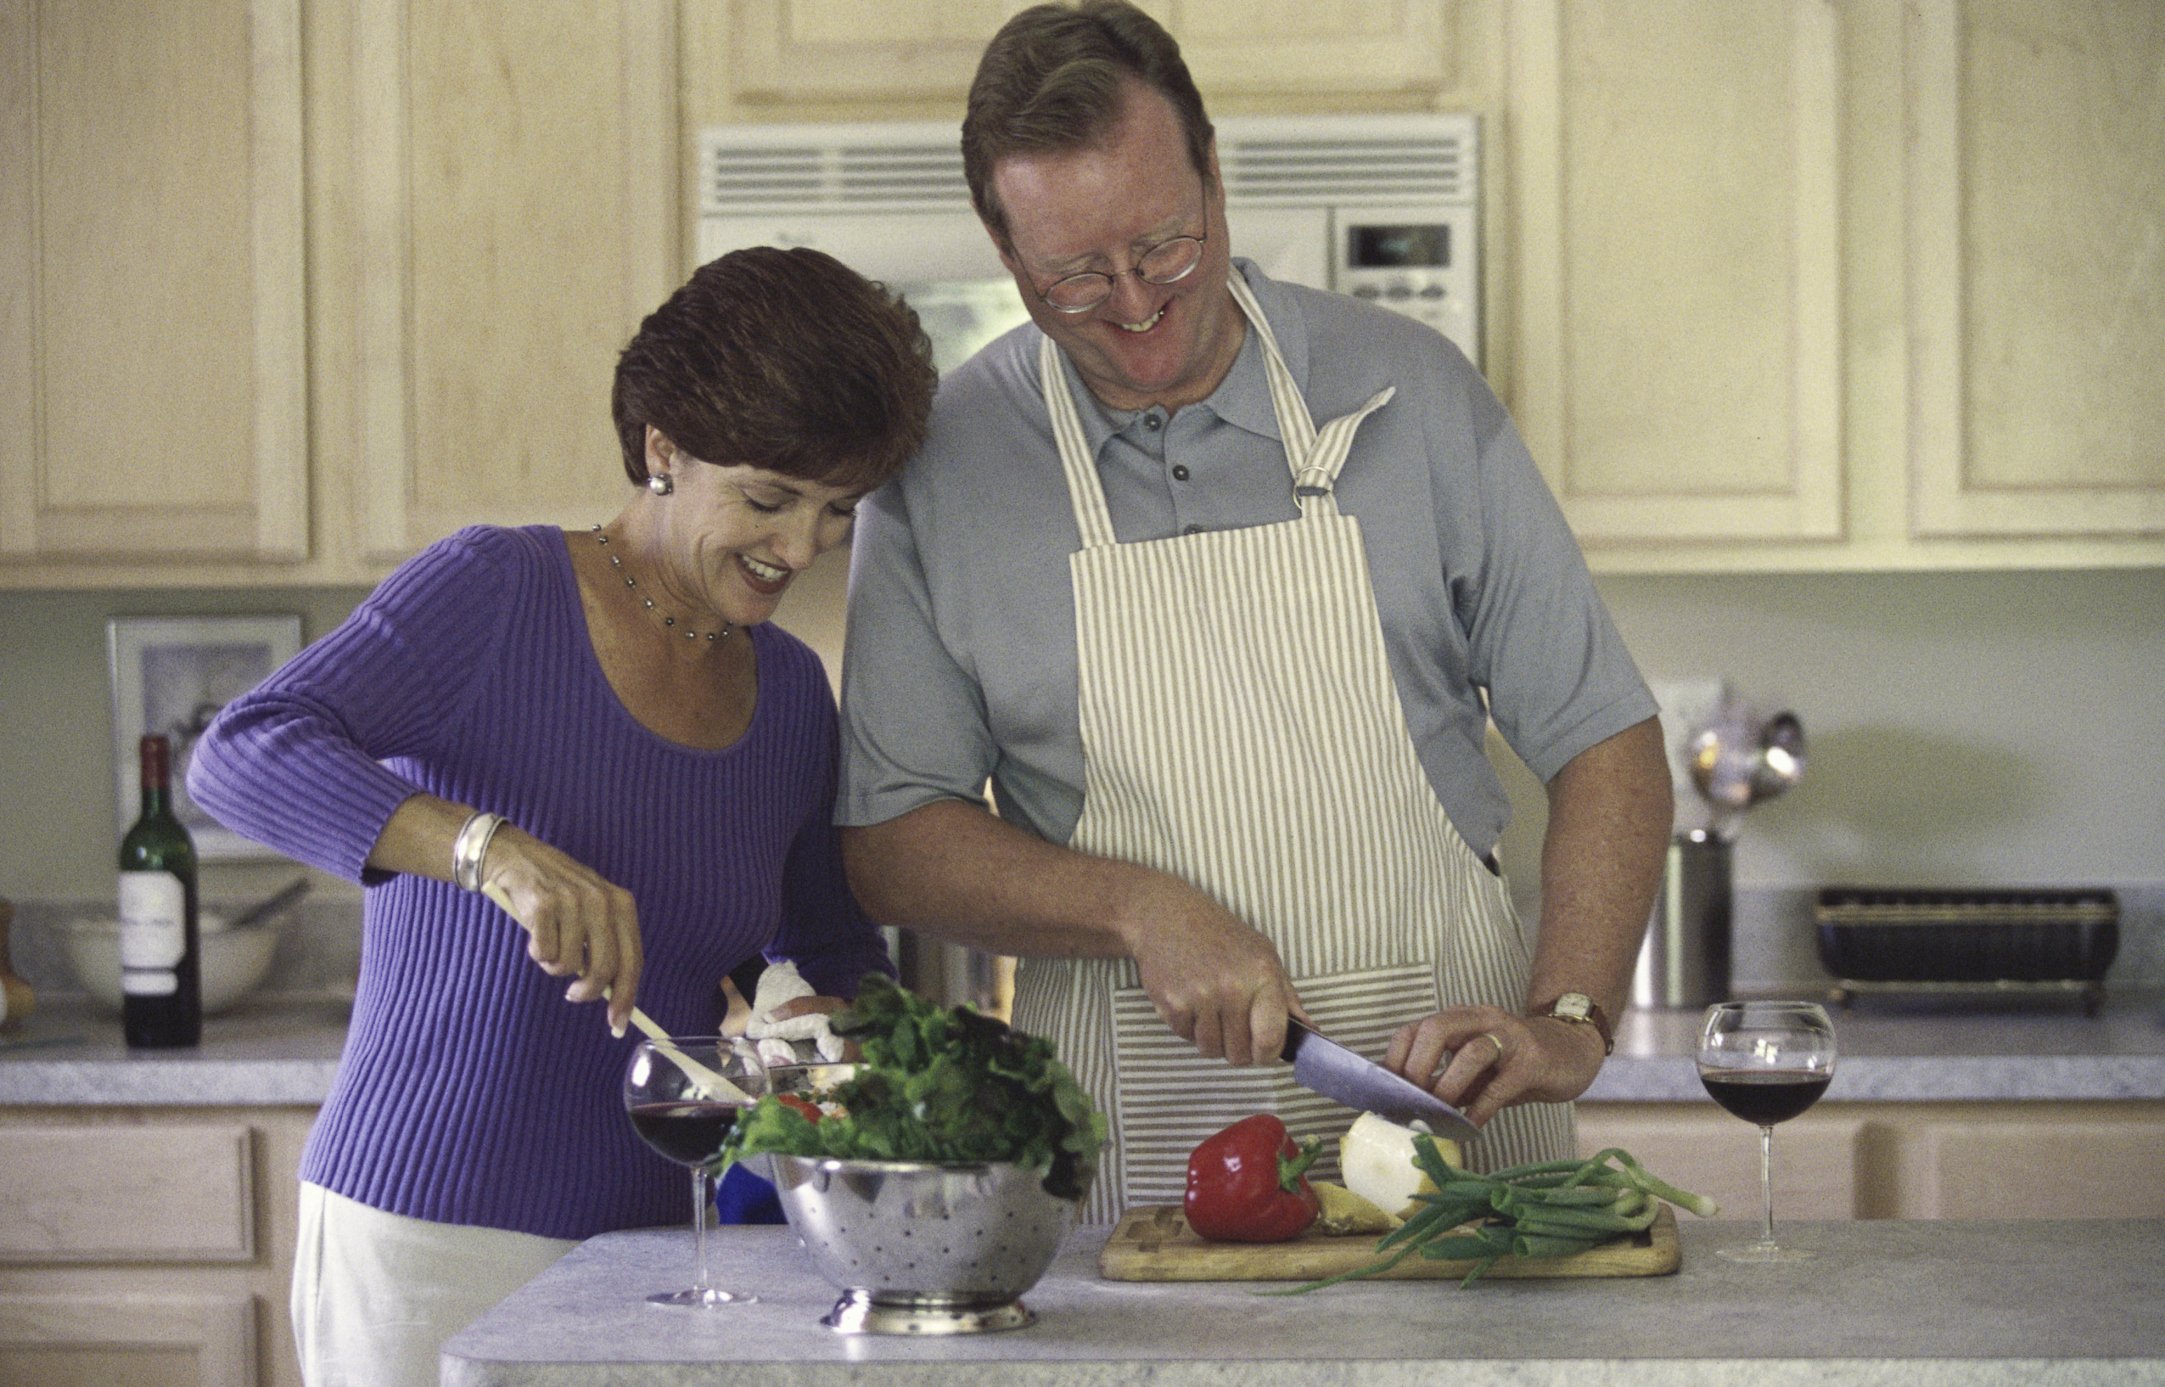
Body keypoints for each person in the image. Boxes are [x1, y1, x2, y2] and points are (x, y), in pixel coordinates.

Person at [836, 0, 1673, 1222]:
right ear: (1005, 251)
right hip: (1131, 1157)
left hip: (1459, 1123)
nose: (1132, 307)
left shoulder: (1412, 394)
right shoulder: (940, 471)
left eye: (1167, 249)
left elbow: (1604, 740)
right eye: (1075, 276)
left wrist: (1568, 1022)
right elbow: (889, 838)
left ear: (1214, 177)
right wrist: (1138, 906)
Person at [187, 246, 937, 1385]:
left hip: (655, 1252)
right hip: (428, 1237)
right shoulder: (495, 591)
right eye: (768, 498)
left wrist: (850, 1042)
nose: (800, 548)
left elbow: (828, 946)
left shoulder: (788, 692)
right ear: (661, 448)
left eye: (836, 510)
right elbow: (241, 751)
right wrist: (489, 851)